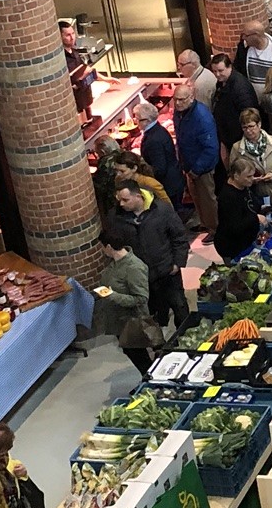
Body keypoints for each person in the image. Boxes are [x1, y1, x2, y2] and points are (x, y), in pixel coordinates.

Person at [114, 179, 191, 333]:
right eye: (119, 200)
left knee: (180, 307)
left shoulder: (162, 210)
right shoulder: (117, 217)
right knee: (153, 316)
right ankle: (159, 347)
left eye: (125, 200)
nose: (121, 204)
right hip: (142, 277)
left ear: (138, 196)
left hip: (167, 270)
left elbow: (179, 237)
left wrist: (177, 263)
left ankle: (184, 338)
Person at [94, 222, 157, 377]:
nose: (102, 251)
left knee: (139, 357)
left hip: (133, 322)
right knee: (132, 354)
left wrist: (112, 296)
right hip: (119, 322)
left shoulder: (134, 267)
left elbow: (141, 298)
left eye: (102, 247)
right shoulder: (115, 264)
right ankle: (147, 379)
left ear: (108, 247)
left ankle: (151, 381)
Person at [172, 80, 221, 236]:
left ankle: (215, 229)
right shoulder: (180, 113)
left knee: (207, 199)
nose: (177, 103)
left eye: (182, 99)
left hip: (202, 168)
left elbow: (211, 148)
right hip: (189, 165)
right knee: (197, 198)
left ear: (191, 97)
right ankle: (205, 224)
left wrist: (197, 169)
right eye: (175, 99)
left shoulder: (201, 116)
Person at [213, 152, 262, 262]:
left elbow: (253, 204)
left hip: (248, 242)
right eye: (248, 176)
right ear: (236, 176)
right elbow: (234, 227)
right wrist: (256, 218)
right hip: (233, 248)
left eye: (253, 175)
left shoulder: (244, 186)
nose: (252, 179)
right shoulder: (227, 197)